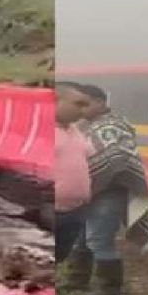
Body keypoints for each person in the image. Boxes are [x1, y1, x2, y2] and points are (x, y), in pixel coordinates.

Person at [64, 83, 148, 295]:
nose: (81, 110)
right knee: (82, 237)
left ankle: (110, 291)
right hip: (94, 190)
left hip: (109, 191)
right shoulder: (90, 125)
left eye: (84, 104)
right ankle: (76, 282)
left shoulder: (110, 127)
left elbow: (114, 163)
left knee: (98, 239)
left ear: (99, 102)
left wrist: (90, 184)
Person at [53, 83, 95, 264]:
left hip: (75, 210)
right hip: (51, 211)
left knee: (60, 257)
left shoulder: (75, 131)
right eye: (78, 104)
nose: (83, 111)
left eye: (85, 106)